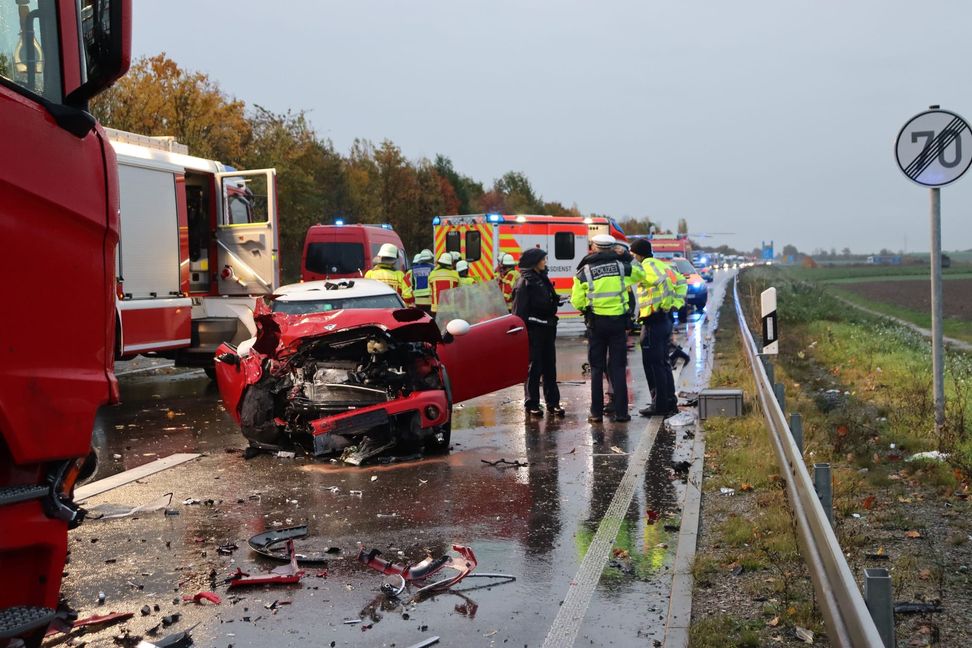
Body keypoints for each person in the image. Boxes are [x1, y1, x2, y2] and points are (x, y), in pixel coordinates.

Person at [571, 234, 638, 423]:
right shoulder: (623, 267)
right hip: (618, 323)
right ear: (612, 247)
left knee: (596, 368)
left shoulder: (584, 271)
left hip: (596, 324)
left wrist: (587, 308)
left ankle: (596, 413)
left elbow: (577, 300)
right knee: (617, 368)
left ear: (594, 247)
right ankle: (622, 413)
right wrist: (626, 255)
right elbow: (641, 273)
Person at [512, 247, 564, 418]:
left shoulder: (542, 278)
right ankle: (532, 403)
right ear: (534, 263)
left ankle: (553, 403)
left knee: (550, 366)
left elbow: (548, 298)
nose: (545, 262)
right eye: (542, 259)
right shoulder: (525, 283)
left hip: (548, 328)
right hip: (534, 331)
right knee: (534, 368)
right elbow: (519, 312)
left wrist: (556, 300)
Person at [630, 238, 679, 418]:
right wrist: (675, 304)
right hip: (663, 320)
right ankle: (669, 401)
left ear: (639, 254)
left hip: (654, 320)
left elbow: (663, 282)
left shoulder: (647, 267)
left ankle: (659, 405)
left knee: (653, 364)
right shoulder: (661, 264)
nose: (633, 257)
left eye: (634, 254)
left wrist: (665, 305)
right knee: (663, 363)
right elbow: (680, 281)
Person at [428, 253, 460, 317]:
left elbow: (430, 292)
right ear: (450, 263)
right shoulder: (455, 274)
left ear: (439, 262)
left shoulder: (432, 274)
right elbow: (459, 290)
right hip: (451, 309)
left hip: (436, 309)